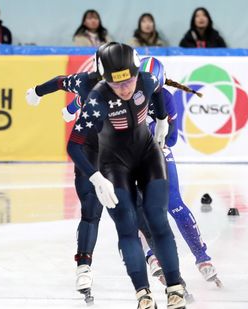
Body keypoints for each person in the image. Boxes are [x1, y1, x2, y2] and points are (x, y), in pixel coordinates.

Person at [66, 43, 186, 309]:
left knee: (157, 220)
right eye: (115, 84)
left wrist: (163, 120)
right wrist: (95, 176)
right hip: (113, 164)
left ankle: (175, 286)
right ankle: (142, 293)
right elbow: (73, 145)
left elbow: (156, 91)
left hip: (146, 156)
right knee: (127, 226)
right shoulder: (96, 98)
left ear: (137, 72)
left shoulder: (148, 79)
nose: (124, 89)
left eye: (129, 80)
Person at [26, 42, 115, 305]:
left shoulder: (131, 82)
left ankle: (151, 256)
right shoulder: (86, 81)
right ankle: (84, 264)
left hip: (118, 150)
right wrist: (37, 92)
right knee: (92, 209)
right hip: (88, 147)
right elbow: (61, 81)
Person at [138, 57, 222, 288]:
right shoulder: (126, 93)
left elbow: (172, 139)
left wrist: (155, 129)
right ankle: (151, 256)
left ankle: (202, 257)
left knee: (175, 204)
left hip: (158, 154)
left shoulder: (165, 97)